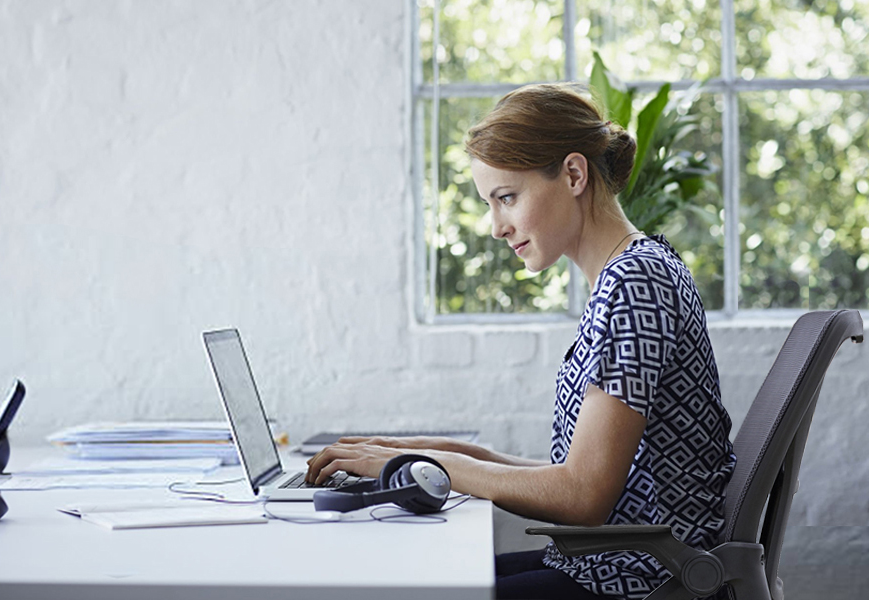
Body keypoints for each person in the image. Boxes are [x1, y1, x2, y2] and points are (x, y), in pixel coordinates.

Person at [306, 83, 736, 600]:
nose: (495, 227)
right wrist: (412, 452)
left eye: (506, 197)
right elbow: (583, 475)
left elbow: (582, 497)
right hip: (612, 566)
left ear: (574, 174)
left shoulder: (635, 283)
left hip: (635, 581)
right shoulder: (633, 271)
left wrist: (441, 466)